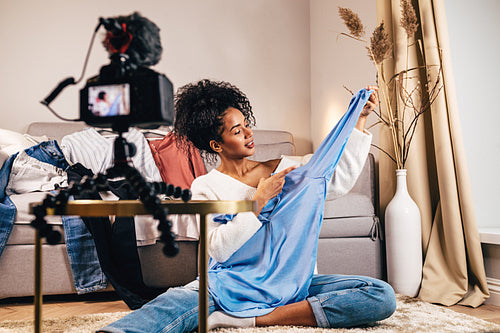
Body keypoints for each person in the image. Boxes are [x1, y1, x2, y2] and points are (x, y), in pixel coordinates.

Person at [99, 79, 396, 333]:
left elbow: (337, 179)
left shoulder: (286, 168)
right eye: (238, 130)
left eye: (247, 125)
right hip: (232, 283)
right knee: (174, 303)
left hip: (292, 282)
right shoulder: (206, 187)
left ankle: (253, 319)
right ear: (217, 144)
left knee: (379, 295)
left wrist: (359, 119)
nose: (249, 134)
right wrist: (256, 204)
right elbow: (218, 249)